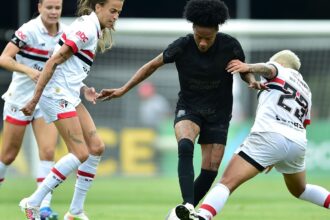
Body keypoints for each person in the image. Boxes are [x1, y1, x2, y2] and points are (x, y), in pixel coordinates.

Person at [97, 0, 262, 219]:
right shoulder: (182, 45)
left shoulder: (230, 46)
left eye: (208, 38)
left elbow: (242, 68)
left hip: (219, 113)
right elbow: (151, 66)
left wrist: (250, 78)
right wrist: (124, 89)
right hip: (190, 107)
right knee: (185, 145)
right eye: (198, 37)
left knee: (211, 168)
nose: (202, 43)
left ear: (217, 31)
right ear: (192, 29)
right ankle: (187, 205)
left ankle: (178, 214)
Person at [183, 50, 330, 220]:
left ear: (280, 63)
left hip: (269, 134)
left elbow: (268, 69)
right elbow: (304, 123)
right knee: (301, 189)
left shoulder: (279, 69)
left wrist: (248, 67)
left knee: (226, 183)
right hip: (297, 142)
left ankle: (202, 216)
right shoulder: (306, 91)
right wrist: (276, 155)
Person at [19, 0, 125, 219]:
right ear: (98, 7)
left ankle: (75, 211)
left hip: (69, 93)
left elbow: (69, 67)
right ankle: (33, 201)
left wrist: (83, 88)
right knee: (80, 153)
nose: (115, 16)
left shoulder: (92, 28)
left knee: (96, 147)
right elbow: (53, 61)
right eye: (112, 11)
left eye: (118, 12)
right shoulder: (87, 30)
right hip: (55, 94)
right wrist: (34, 99)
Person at [0, 0, 65, 219]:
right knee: (8, 155)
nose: (54, 12)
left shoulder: (65, 33)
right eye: (50, 7)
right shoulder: (28, 31)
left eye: (58, 7)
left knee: (47, 152)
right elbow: (4, 58)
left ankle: (42, 208)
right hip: (20, 99)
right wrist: (27, 70)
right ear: (39, 8)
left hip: (45, 100)